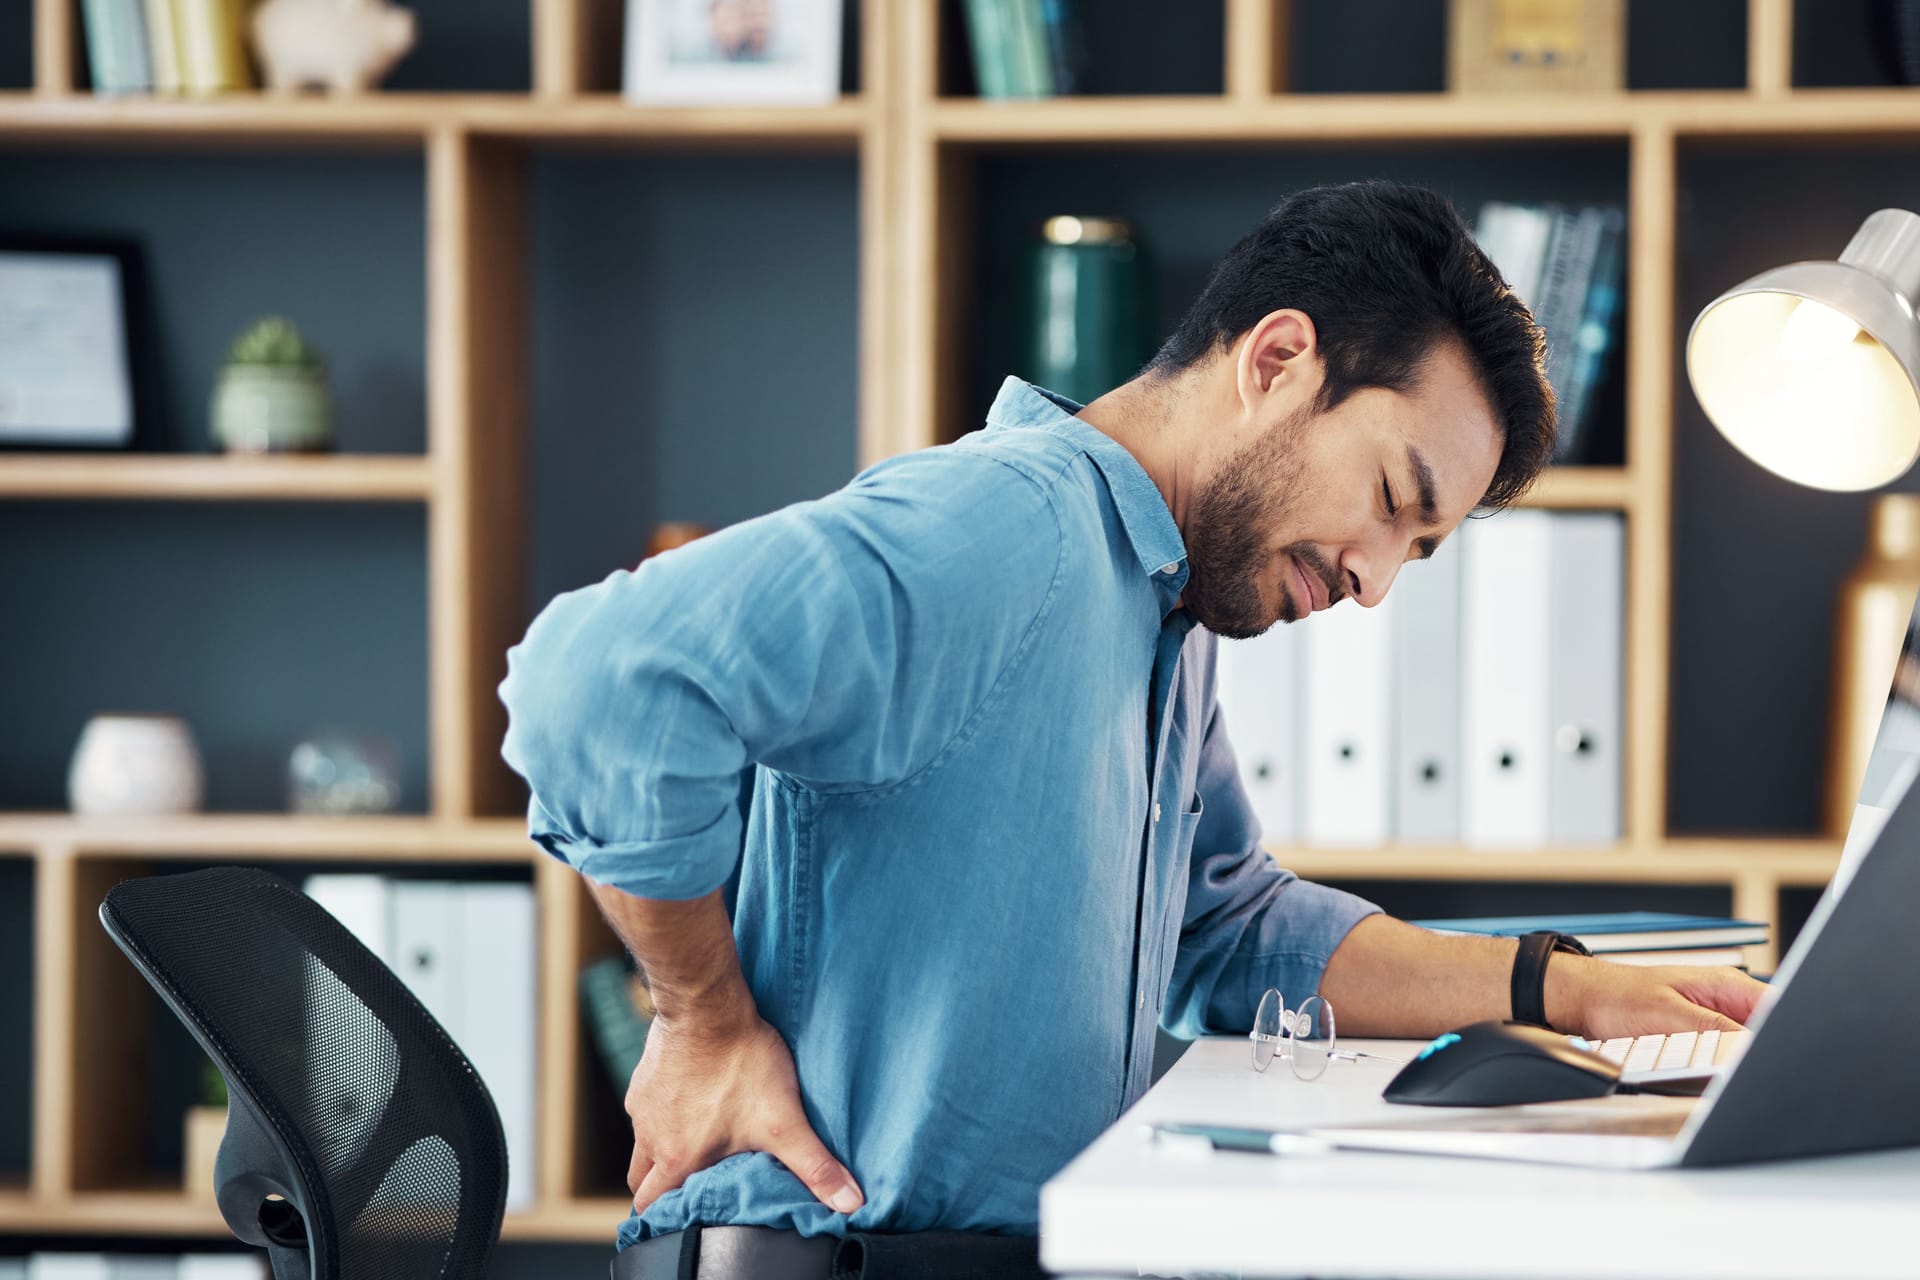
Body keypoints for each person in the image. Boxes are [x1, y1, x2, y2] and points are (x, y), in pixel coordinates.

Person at [498, 180, 1767, 1277]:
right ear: (1275, 361)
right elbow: (595, 676)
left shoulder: (1156, 604)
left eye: (1416, 551)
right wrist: (701, 1017)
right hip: (831, 1250)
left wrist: (1569, 988)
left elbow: (1231, 927)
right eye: (1391, 501)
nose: (1376, 580)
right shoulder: (1006, 532)